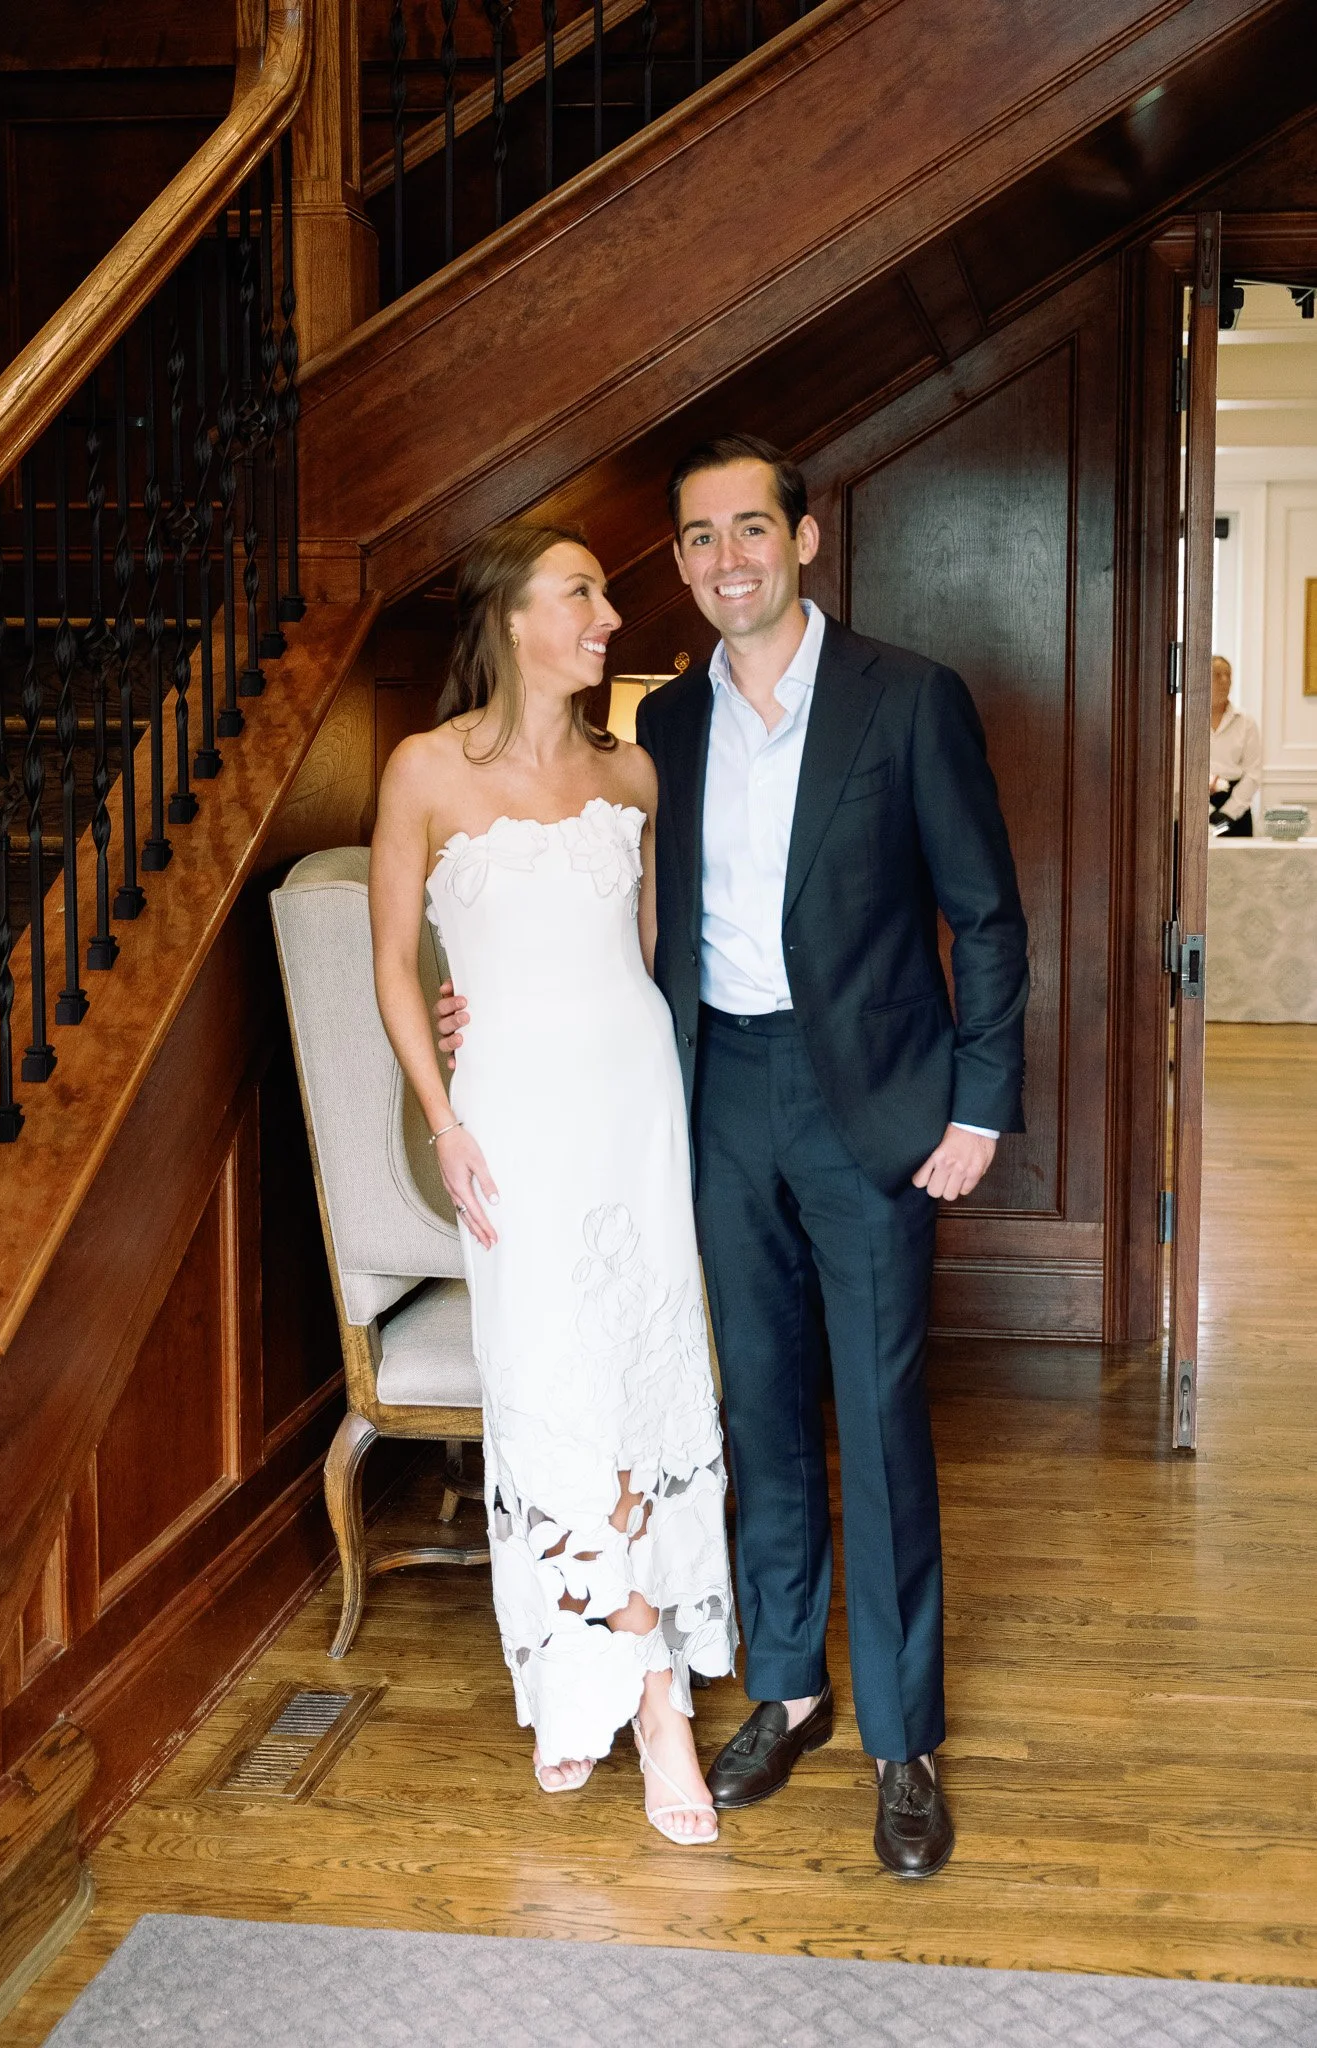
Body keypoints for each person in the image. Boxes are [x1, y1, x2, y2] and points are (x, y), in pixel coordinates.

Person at [444, 436, 1027, 1878]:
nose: (724, 561)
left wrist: (977, 1106)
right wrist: (487, 991)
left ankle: (902, 1739)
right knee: (756, 1407)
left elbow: (991, 916)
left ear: (806, 539)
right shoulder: (668, 732)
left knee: (878, 1424)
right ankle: (788, 1692)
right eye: (698, 541)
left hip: (875, 1110)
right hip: (713, 1101)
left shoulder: (909, 701)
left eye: (748, 529)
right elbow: (609, 919)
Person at [369, 520, 736, 1847]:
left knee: (641, 1376)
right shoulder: (421, 769)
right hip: (510, 1119)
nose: (607, 617)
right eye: (580, 592)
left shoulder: (633, 773)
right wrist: (444, 1116)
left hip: (634, 1106)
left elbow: (644, 957)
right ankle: (613, 1679)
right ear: (513, 619)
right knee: (552, 1384)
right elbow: (396, 967)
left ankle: (641, 1698)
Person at [1209, 655, 1260, 837]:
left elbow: (1253, 773)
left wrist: (1228, 812)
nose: (1224, 680)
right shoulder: (1183, 722)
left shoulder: (1246, 722)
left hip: (1236, 809)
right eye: (1217, 675)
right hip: (1195, 805)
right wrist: (1203, 809)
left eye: (1228, 675)